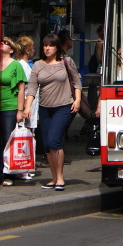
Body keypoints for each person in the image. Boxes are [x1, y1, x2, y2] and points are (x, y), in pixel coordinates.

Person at [24, 34, 82, 191]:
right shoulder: (38, 65)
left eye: (50, 45)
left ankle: (60, 177)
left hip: (64, 107)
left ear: (57, 47)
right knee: (48, 145)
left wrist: (77, 100)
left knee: (54, 141)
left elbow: (77, 82)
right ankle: (54, 177)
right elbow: (32, 88)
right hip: (45, 108)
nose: (47, 48)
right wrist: (27, 107)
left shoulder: (66, 62)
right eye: (45, 45)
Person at [0, 36, 28, 186]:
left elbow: (21, 89)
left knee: (7, 140)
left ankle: (8, 173)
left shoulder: (16, 65)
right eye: (1, 41)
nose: (2, 43)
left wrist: (20, 110)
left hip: (10, 107)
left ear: (11, 49)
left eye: (6, 43)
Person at [16, 35, 38, 178]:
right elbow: (23, 88)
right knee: (26, 135)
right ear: (28, 50)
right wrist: (25, 107)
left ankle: (26, 167)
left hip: (30, 105)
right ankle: (24, 167)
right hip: (28, 105)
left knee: (27, 135)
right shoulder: (22, 66)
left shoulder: (24, 65)